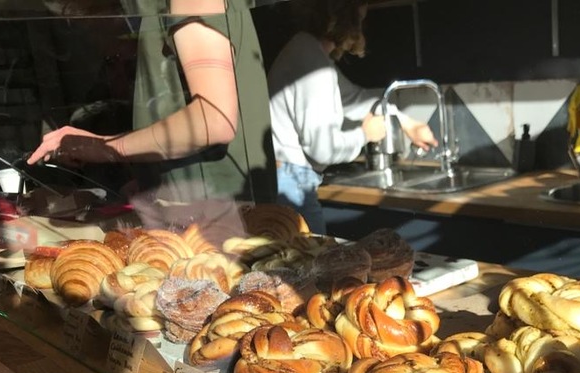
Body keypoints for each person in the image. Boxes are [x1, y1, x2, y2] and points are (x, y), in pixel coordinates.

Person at [27, 0, 275, 205]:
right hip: (197, 217)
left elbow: (214, 119)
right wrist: (151, 178)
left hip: (221, 224)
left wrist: (104, 147)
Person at [267, 0, 436, 234]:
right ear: (345, 19)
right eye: (361, 18)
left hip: (286, 179)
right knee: (313, 265)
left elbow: (354, 99)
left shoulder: (307, 52)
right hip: (292, 184)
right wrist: (365, 134)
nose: (361, 28)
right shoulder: (314, 65)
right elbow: (323, 149)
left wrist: (405, 121)